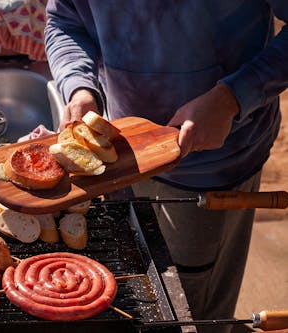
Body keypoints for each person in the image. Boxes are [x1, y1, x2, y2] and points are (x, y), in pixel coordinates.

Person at [44, 2, 287, 333]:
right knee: (137, 300)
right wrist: (79, 87)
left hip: (214, 167)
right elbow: (65, 20)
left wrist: (232, 97)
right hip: (120, 157)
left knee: (194, 316)